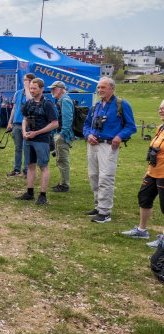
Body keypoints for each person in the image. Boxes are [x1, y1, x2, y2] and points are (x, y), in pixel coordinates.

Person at [83, 77, 137, 223]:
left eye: (103, 87)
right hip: (93, 145)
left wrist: (119, 136)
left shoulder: (121, 104)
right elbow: (86, 124)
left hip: (108, 145)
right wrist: (88, 134)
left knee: (106, 177)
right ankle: (98, 206)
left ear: (112, 89)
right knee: (93, 176)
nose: (100, 90)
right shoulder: (96, 105)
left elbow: (131, 127)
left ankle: (105, 212)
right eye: (99, 87)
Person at [121, 100, 164, 247]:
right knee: (144, 197)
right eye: (160, 108)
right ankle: (141, 230)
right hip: (153, 171)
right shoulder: (161, 127)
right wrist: (148, 170)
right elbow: (154, 152)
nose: (161, 111)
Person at [16, 78, 58, 205]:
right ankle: (29, 192)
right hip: (28, 138)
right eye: (31, 88)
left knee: (43, 166)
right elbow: (25, 119)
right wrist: (24, 131)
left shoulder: (48, 104)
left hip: (42, 140)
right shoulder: (29, 103)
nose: (32, 91)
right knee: (30, 165)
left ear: (41, 89)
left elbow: (55, 124)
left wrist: (37, 133)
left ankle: (43, 195)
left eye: (34, 88)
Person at [7, 73, 35, 177]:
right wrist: (10, 122)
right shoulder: (18, 93)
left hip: (28, 124)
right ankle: (16, 169)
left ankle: (26, 170)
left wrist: (28, 88)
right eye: (24, 80)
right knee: (17, 147)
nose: (24, 82)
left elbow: (30, 101)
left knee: (27, 148)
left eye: (26, 80)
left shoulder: (32, 93)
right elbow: (14, 108)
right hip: (16, 123)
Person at [49, 81, 75, 193]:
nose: (51, 91)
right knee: (60, 159)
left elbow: (67, 119)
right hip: (60, 134)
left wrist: (62, 134)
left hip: (63, 135)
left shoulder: (65, 100)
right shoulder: (62, 100)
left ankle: (65, 185)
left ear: (60, 89)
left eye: (53, 89)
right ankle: (62, 183)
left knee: (63, 160)